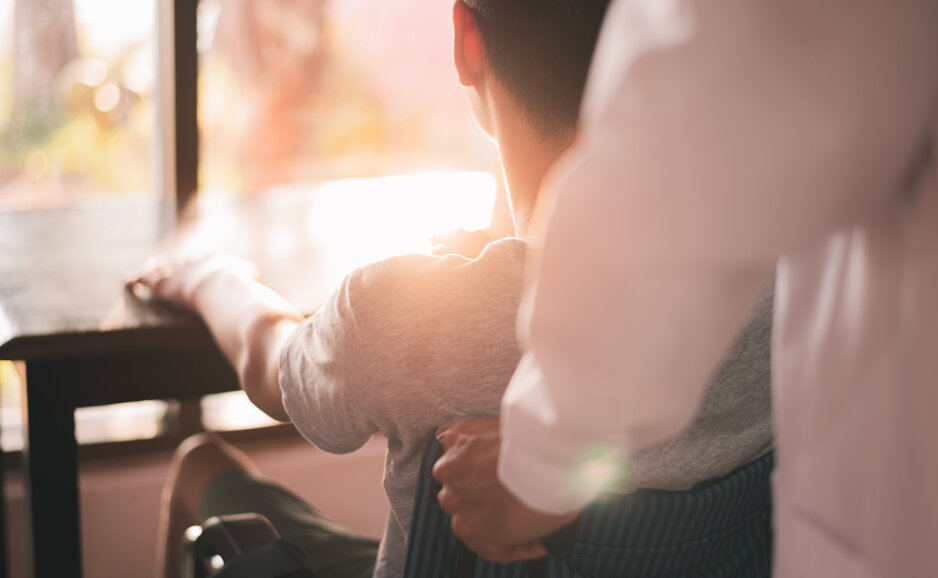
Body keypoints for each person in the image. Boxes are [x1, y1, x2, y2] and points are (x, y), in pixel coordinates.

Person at [135, 0, 775, 576]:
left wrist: (212, 278)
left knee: (200, 463)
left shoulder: (404, 313)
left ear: (467, 39)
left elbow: (271, 368)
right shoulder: (775, 279)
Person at [433, 0, 938, 576]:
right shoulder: (767, 298)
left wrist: (547, 453)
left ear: (466, 38)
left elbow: (721, 86)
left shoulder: (404, 311)